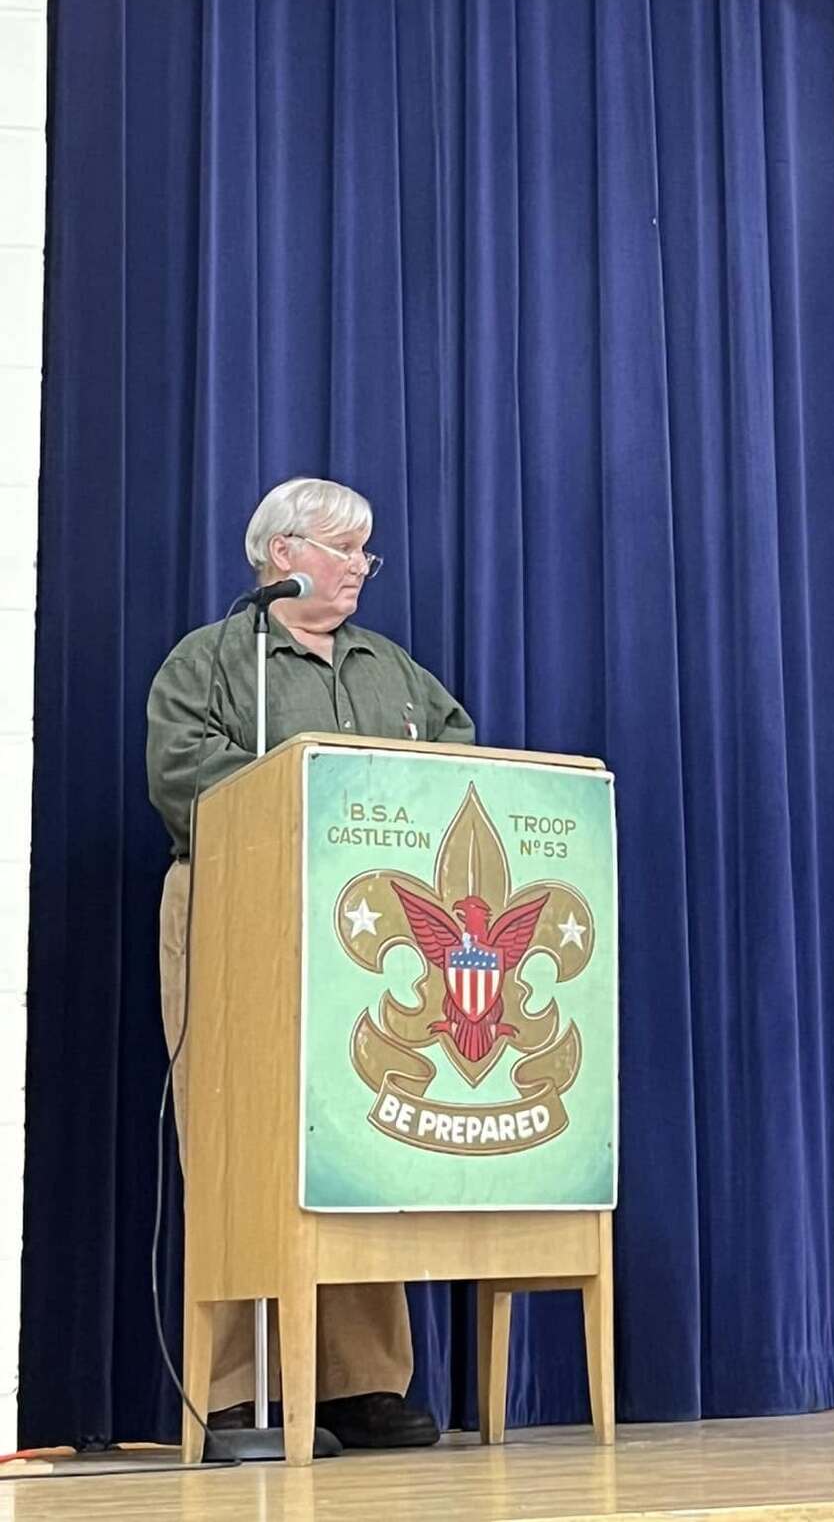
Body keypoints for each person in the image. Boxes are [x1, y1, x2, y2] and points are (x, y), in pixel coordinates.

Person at [147, 476, 476, 1451]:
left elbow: (459, 755)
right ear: (282, 554)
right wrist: (314, 805)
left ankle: (359, 1383)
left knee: (364, 1134)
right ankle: (241, 1388)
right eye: (344, 550)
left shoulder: (390, 666)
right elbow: (181, 779)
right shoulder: (213, 662)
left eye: (366, 553)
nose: (360, 571)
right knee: (241, 1135)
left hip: (373, 932)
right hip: (239, 908)